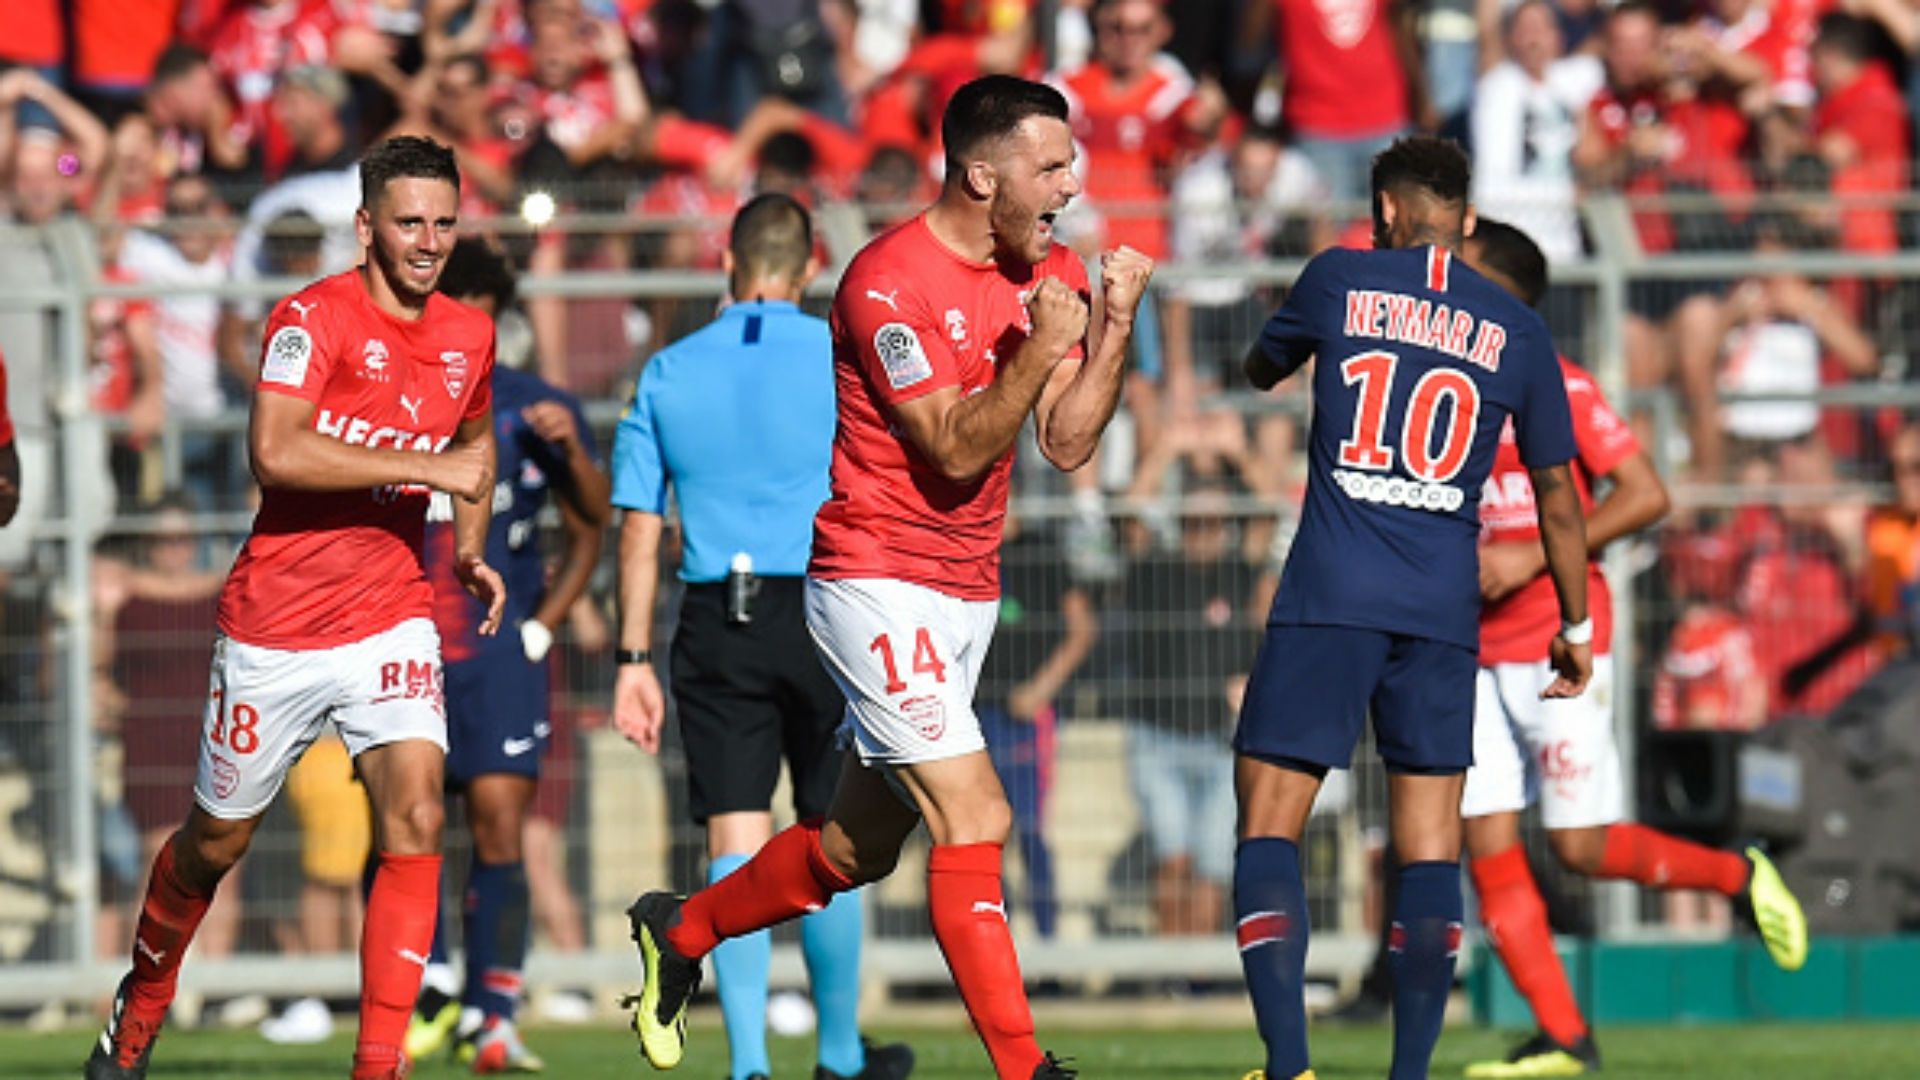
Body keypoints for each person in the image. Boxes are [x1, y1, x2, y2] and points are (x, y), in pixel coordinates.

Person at [623, 75, 1154, 1080]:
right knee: (978, 815)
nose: (1072, 185)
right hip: (875, 582)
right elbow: (953, 447)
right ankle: (1028, 1069)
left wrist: (1111, 328)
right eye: (1051, 166)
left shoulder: (1053, 267)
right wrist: (1044, 346)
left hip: (966, 593)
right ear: (978, 173)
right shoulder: (885, 282)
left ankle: (679, 933)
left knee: (851, 851)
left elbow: (1069, 442)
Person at [87, 135, 505, 1080]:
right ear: (366, 227)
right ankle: (140, 1011)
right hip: (275, 625)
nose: (428, 240)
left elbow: (472, 450)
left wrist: (469, 548)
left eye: (443, 222)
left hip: (393, 611)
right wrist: (423, 465)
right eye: (408, 221)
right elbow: (274, 452)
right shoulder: (308, 319)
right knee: (211, 844)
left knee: (415, 816)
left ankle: (378, 1065)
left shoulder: (466, 337)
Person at [1231, 135, 1593, 1080]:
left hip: (1330, 591)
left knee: (1270, 822)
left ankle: (1289, 1068)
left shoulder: (1339, 279)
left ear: (1383, 210)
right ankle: (1409, 1076)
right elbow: (1558, 494)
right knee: (1432, 846)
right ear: (1468, 219)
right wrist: (1576, 623)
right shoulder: (1516, 327)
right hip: (1443, 609)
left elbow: (1260, 369)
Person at [1461, 218, 1807, 1076]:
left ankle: (1736, 874)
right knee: (1486, 840)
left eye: (1462, 273)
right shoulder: (1447, 394)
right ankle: (1565, 1037)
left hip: (1561, 643)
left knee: (1580, 846)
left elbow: (1647, 494)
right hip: (1465, 652)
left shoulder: (1560, 387)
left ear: (1501, 295)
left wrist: (1529, 555)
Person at [611, 193, 915, 1080]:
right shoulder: (840, 357)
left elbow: (638, 525)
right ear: (811, 264)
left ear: (726, 264)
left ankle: (748, 1063)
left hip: (719, 609)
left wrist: (633, 657)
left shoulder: (669, 368)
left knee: (734, 834)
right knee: (831, 834)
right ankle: (840, 1055)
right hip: (830, 603)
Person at [402, 237, 612, 1073]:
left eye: (488, 324)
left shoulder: (537, 407)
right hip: (404, 639)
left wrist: (547, 622)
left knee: (499, 825)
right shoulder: (392, 401)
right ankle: (421, 997)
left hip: (499, 649)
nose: (473, 340)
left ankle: (494, 1013)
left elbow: (597, 518)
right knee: (406, 825)